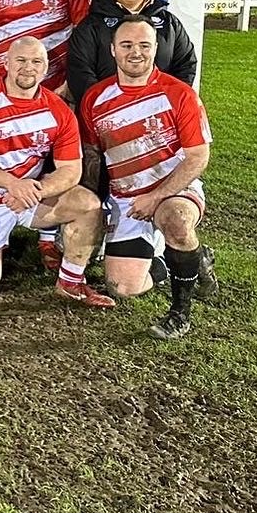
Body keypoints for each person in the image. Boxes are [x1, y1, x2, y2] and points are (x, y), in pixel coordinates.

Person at [0, 36, 111, 308]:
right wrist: (12, 183)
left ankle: (70, 282)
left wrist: (37, 191)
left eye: (36, 62)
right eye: (21, 61)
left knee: (87, 204)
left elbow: (71, 170)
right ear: (6, 63)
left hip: (28, 197)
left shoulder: (58, 110)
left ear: (46, 68)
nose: (28, 68)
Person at [80, 18, 216, 339]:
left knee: (176, 221)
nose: (135, 53)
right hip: (126, 199)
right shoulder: (94, 99)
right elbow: (94, 158)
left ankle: (179, 314)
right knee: (121, 287)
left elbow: (198, 157)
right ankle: (191, 259)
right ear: (113, 50)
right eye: (126, 45)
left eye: (144, 45)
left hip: (174, 192)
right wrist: (91, 208)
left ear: (156, 48)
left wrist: (155, 198)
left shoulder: (180, 95)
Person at [67, 0, 197, 109]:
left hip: (161, 114)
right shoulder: (91, 25)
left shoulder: (169, 23)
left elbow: (186, 64)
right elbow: (79, 71)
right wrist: (105, 109)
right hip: (107, 115)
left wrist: (170, 103)